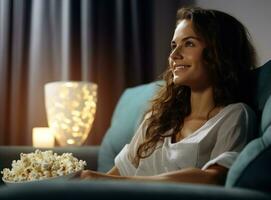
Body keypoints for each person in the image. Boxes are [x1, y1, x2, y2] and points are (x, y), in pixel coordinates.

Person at [77, 6, 257, 185]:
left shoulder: (234, 116)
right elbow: (112, 177)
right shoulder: (157, 118)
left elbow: (214, 177)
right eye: (173, 45)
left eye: (189, 43)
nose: (174, 55)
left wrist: (126, 182)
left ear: (219, 52)